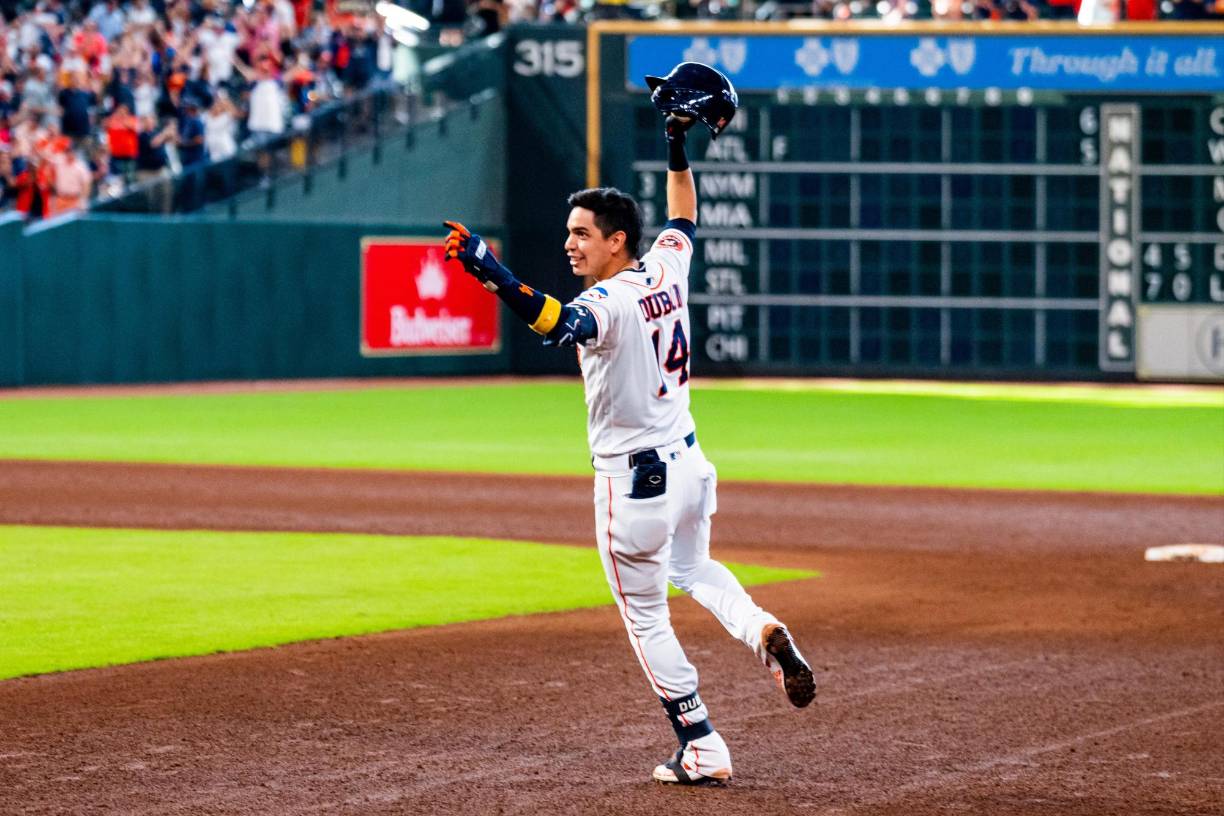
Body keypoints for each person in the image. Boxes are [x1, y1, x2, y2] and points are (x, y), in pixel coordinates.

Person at [442, 64, 815, 787]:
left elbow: (555, 322)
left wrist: (492, 272)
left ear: (617, 241)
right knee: (695, 569)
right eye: (569, 232)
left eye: (583, 233)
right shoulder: (666, 267)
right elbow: (684, 214)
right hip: (691, 467)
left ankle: (701, 743)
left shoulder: (610, 301)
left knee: (647, 618)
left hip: (634, 484)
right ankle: (762, 631)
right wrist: (676, 143)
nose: (570, 244)